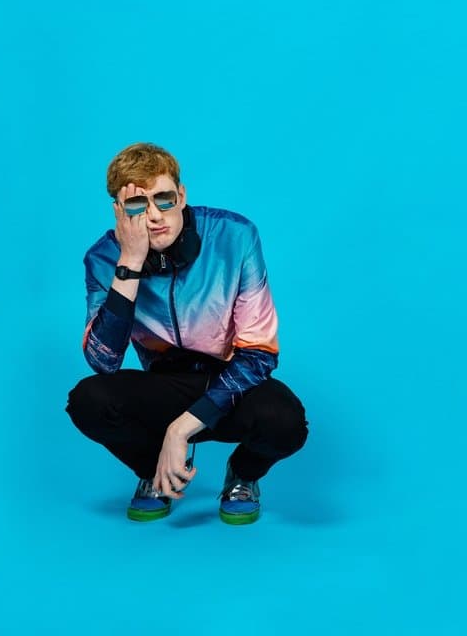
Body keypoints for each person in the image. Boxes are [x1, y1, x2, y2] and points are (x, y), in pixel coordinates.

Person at [65, 143, 309, 525]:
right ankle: (156, 472)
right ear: (119, 211)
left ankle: (242, 474)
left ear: (181, 196)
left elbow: (260, 354)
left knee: (287, 423)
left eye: (163, 199)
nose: (154, 216)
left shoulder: (235, 236)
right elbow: (103, 361)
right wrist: (129, 262)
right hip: (165, 383)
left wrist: (180, 431)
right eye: (137, 205)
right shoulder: (104, 258)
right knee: (87, 401)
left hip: (232, 382)